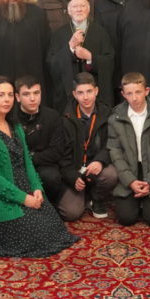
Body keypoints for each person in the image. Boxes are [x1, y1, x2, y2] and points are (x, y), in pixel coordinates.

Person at [0, 76, 80, 257]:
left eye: (10, 95)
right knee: (39, 236)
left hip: (24, 189)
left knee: (55, 229)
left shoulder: (15, 126)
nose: (6, 99)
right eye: (1, 95)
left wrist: (36, 188)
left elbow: (27, 161)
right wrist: (23, 199)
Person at [106, 72, 150, 227]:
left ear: (147, 91)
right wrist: (130, 181)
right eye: (129, 93)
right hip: (129, 173)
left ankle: (148, 201)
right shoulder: (115, 119)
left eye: (138, 92)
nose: (134, 98)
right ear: (123, 94)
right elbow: (115, 152)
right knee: (126, 219)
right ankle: (134, 201)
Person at [13, 76, 80, 221]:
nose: (32, 98)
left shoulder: (52, 116)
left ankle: (49, 207)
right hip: (18, 166)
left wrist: (30, 157)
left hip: (45, 167)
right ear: (17, 97)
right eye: (26, 94)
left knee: (52, 177)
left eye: (36, 93)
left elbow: (56, 151)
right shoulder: (11, 118)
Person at [46, 0, 115, 108]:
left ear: (88, 9)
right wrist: (70, 48)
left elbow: (110, 62)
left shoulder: (101, 32)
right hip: (67, 97)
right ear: (69, 10)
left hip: (96, 96)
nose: (79, 9)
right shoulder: (58, 34)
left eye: (83, 6)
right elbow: (52, 65)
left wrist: (90, 57)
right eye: (75, 6)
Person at [61, 72, 118, 220]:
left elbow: (112, 143)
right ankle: (83, 195)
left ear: (96, 91)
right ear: (74, 94)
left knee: (112, 174)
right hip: (75, 170)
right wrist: (72, 177)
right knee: (71, 213)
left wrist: (100, 161)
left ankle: (97, 198)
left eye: (89, 91)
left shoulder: (107, 114)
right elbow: (61, 155)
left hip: (96, 168)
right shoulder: (65, 117)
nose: (85, 97)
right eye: (80, 93)